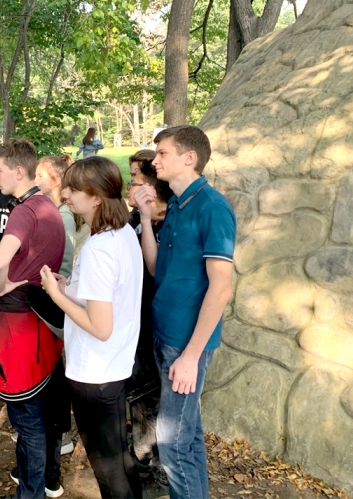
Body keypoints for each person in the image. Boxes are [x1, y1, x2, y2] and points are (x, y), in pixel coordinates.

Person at [133, 125, 236, 499]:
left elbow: (220, 288)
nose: (155, 160)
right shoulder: (177, 204)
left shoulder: (213, 208)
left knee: (173, 446)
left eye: (163, 153)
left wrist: (191, 356)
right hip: (164, 337)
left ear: (189, 158)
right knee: (186, 437)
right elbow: (155, 268)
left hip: (186, 347)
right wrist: (146, 218)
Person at [40, 156, 144, 499]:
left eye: (74, 189)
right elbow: (106, 296)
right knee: (120, 459)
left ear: (97, 197)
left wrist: (57, 295)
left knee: (109, 471)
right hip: (114, 365)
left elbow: (100, 327)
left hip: (94, 373)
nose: (66, 194)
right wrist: (70, 286)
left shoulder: (100, 248)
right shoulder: (122, 233)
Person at [0, 139, 66, 499]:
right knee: (42, 413)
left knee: (27, 420)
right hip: (43, 322)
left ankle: (30, 495)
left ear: (18, 171)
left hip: (19, 330)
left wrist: (0, 287)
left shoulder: (24, 211)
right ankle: (45, 481)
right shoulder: (47, 205)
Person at [125, 149, 173, 484]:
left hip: (155, 324)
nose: (129, 187)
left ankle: (156, 469)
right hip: (134, 321)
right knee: (140, 394)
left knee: (151, 396)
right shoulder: (133, 221)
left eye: (135, 179)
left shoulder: (170, 226)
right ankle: (142, 455)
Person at [35, 155, 76, 278]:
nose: (35, 181)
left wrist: (56, 286)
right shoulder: (42, 209)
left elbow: (66, 263)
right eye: (35, 176)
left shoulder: (64, 216)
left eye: (40, 176)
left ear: (56, 181)